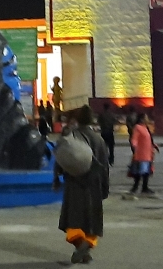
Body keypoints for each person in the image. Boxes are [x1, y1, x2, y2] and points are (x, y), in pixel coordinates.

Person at [54, 105, 107, 264]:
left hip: (74, 183)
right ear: (92, 120)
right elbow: (104, 166)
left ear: (77, 119)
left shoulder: (72, 136)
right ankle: (86, 247)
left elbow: (60, 157)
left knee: (74, 219)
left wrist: (56, 178)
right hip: (93, 185)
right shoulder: (99, 139)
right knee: (92, 220)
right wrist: (105, 187)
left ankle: (81, 248)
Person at [128, 113, 155, 195]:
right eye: (146, 118)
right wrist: (134, 146)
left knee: (146, 172)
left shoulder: (146, 128)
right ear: (142, 119)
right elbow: (134, 139)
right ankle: (135, 187)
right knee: (139, 172)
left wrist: (154, 146)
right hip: (141, 154)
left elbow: (149, 139)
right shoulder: (138, 127)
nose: (147, 119)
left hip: (147, 153)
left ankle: (144, 187)